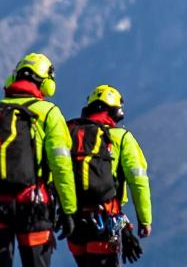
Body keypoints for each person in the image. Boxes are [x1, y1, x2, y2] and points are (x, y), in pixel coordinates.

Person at [0, 52, 78, 267]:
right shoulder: (49, 113)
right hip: (33, 206)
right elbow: (61, 165)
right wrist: (69, 209)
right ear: (46, 82)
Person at [66, 84, 153, 265]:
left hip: (73, 221)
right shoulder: (121, 138)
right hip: (106, 221)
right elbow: (138, 180)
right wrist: (145, 220)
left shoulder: (72, 132)